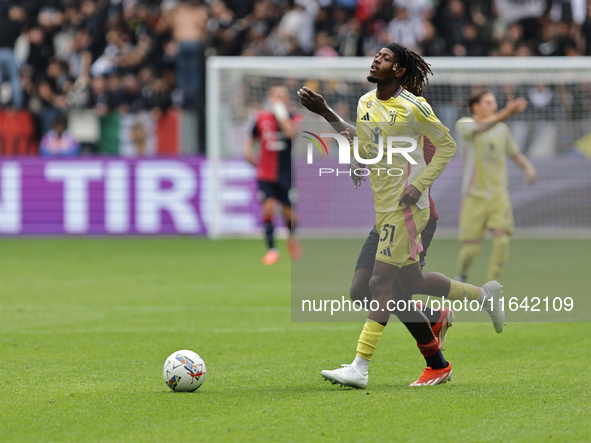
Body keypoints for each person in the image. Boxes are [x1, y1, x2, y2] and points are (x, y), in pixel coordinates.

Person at [298, 42, 506, 388]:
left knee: (382, 285)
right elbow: (365, 143)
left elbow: (447, 146)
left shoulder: (415, 109)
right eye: (376, 55)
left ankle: (360, 368)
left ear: (398, 70)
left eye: (385, 57)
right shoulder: (366, 102)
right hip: (385, 210)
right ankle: (476, 300)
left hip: (410, 209)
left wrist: (420, 183)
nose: (376, 59)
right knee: (384, 287)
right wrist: (350, 151)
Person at [455, 90, 537, 283]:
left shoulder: (502, 129)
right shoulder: (465, 124)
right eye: (488, 103)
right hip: (473, 196)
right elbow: (479, 129)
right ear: (476, 106)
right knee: (471, 248)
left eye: (495, 103)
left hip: (499, 195)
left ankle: (492, 286)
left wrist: (528, 166)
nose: (494, 106)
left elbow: (514, 153)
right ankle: (462, 274)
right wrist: (506, 113)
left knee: (502, 240)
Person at [244, 86, 302, 265]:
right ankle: (271, 250)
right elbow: (250, 141)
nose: (278, 98)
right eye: (275, 95)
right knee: (267, 208)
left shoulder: (293, 117)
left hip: (285, 174)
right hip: (266, 174)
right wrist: (249, 155)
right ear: (269, 98)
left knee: (290, 216)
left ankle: (291, 239)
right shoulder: (260, 118)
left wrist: (281, 114)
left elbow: (291, 134)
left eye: (282, 96)